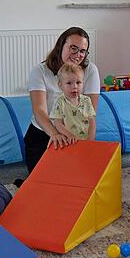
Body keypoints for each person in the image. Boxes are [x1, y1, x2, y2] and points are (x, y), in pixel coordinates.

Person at [18, 27, 100, 177]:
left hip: (76, 133)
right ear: (61, 45)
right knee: (44, 179)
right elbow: (39, 111)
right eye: (73, 48)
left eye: (83, 51)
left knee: (79, 176)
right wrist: (55, 134)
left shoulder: (90, 70)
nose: (78, 55)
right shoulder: (40, 71)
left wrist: (89, 142)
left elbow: (91, 113)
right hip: (45, 132)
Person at [49, 62, 96, 142]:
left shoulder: (86, 100)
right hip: (69, 141)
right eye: (69, 83)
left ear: (83, 83)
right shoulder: (60, 102)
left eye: (78, 83)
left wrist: (91, 138)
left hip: (85, 140)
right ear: (60, 85)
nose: (74, 86)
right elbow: (58, 123)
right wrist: (70, 135)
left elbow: (92, 121)